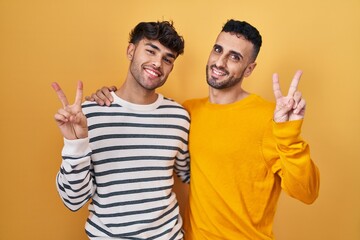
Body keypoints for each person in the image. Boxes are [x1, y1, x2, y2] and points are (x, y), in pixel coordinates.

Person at [86, 19, 320, 240]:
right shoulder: (188, 112)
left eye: (234, 57)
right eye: (218, 50)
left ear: (249, 69)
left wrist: (289, 135)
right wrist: (110, 101)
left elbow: (307, 193)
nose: (220, 62)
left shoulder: (270, 117)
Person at [51, 21, 190, 239]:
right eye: (151, 51)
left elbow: (190, 174)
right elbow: (73, 200)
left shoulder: (179, 117)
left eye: (167, 59)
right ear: (131, 51)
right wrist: (74, 145)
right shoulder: (88, 115)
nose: (157, 63)